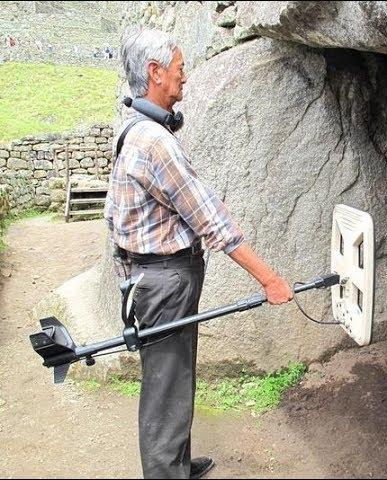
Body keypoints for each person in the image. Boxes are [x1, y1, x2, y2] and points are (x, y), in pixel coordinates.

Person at [104, 28, 293, 479]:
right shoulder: (155, 142)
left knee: (175, 374)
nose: (184, 78)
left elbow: (116, 220)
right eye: (179, 69)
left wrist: (130, 278)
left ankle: (178, 464)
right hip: (165, 280)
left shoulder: (136, 130)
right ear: (155, 73)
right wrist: (269, 279)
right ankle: (166, 473)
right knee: (167, 385)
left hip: (154, 278)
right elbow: (215, 222)